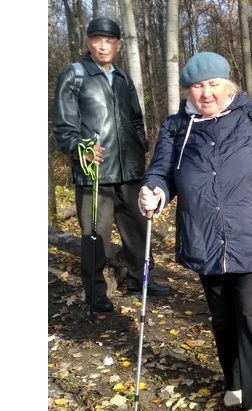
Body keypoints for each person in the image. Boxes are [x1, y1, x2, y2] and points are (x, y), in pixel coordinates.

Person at [138, 52, 252, 411]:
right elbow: (161, 172)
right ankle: (235, 381)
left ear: (227, 85)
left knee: (250, 310)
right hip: (203, 236)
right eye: (197, 87)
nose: (206, 93)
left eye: (213, 84)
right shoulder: (175, 127)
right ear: (188, 91)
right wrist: (153, 191)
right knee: (222, 316)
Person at [52, 17, 171, 313]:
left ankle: (140, 282)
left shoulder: (123, 78)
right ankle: (95, 293)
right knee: (95, 236)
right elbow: (63, 128)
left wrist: (140, 144)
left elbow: (135, 118)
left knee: (138, 231)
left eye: (109, 40)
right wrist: (83, 149)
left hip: (130, 170)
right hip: (94, 174)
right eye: (97, 39)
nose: (102, 45)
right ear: (88, 42)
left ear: (118, 45)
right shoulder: (74, 76)